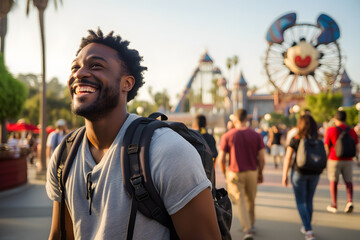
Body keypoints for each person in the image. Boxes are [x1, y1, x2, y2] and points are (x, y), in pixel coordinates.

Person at [45, 28, 221, 239]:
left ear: (127, 83)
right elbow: (60, 234)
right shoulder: (65, 154)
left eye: (96, 66)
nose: (79, 73)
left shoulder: (167, 152)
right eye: (75, 67)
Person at [217, 109, 265, 240]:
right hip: (252, 171)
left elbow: (221, 158)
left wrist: (224, 172)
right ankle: (251, 223)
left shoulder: (227, 136)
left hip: (234, 172)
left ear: (235, 120)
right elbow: (262, 157)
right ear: (246, 119)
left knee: (240, 200)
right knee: (251, 199)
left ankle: (247, 229)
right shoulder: (257, 135)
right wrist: (260, 172)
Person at [282, 115, 321, 240]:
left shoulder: (296, 139)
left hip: (299, 173)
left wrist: (284, 175)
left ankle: (308, 229)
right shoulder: (318, 138)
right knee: (309, 200)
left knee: (300, 201)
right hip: (315, 173)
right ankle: (307, 226)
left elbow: (288, 157)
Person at [324, 110, 358, 214]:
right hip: (348, 159)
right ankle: (349, 201)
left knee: (333, 182)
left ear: (335, 119)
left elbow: (326, 146)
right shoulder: (352, 130)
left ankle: (334, 204)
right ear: (345, 119)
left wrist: (326, 158)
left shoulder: (331, 130)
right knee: (348, 182)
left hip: (334, 159)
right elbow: (357, 146)